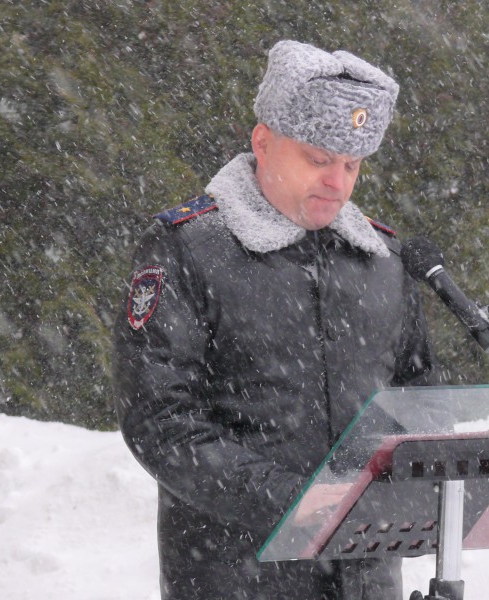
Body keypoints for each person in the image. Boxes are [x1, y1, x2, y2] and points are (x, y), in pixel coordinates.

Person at [113, 40, 438, 600]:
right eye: (318, 159)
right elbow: (160, 420)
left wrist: (410, 493)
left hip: (367, 578)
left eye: (352, 165)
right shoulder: (189, 249)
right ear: (262, 142)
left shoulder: (385, 261)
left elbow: (420, 395)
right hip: (234, 575)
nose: (337, 183)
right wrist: (297, 503)